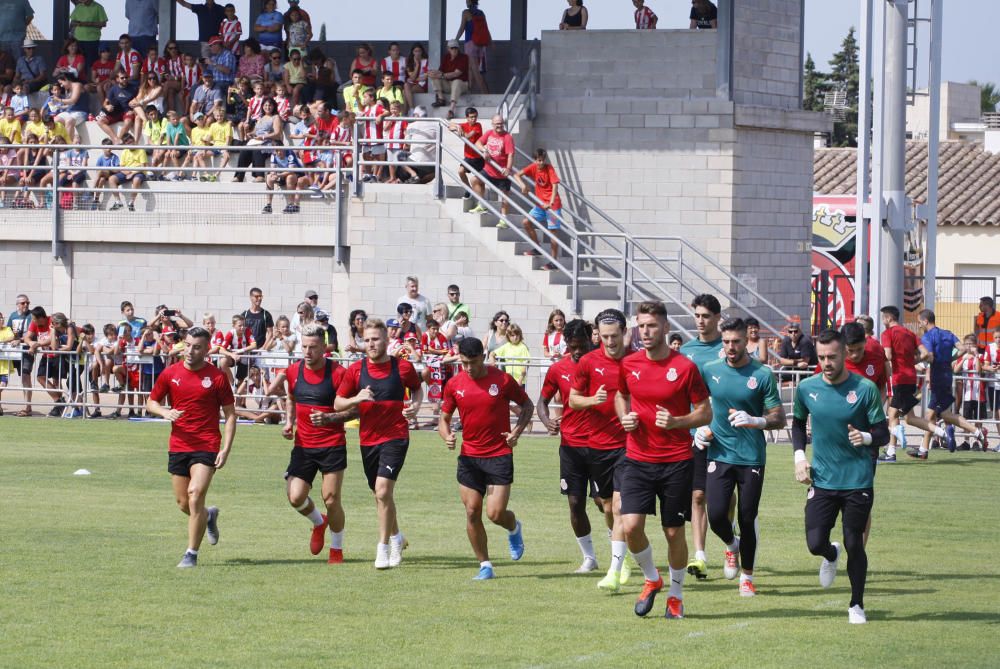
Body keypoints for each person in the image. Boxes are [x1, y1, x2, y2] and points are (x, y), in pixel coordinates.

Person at [614, 300, 711, 619]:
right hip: (638, 458)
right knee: (630, 527)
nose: (646, 331)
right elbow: (620, 395)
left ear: (666, 328)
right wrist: (625, 416)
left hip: (676, 461)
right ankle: (652, 580)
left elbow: (705, 412)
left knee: (673, 533)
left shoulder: (684, 367)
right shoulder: (629, 364)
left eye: (652, 325)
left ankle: (676, 594)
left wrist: (676, 422)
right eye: (641, 325)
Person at [792, 328, 889, 624]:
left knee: (854, 542)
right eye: (821, 357)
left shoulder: (864, 389)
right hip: (821, 479)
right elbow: (797, 424)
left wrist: (867, 437)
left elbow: (882, 432)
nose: (826, 363)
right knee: (814, 543)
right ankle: (829, 555)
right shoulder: (806, 388)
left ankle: (856, 604)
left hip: (857, 479)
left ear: (845, 353)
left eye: (832, 356)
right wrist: (799, 456)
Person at [693, 318, 784, 597]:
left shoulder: (762, 374)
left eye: (736, 341)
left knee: (747, 516)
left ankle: (747, 577)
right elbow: (698, 404)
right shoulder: (710, 370)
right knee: (717, 514)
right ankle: (732, 545)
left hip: (751, 457)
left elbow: (778, 418)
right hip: (719, 452)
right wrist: (699, 427)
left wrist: (756, 420)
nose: (731, 347)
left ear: (747, 342)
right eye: (727, 342)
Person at [438, 337, 533, 580]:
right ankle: (485, 565)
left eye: (473, 362)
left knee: (495, 514)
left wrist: (516, 432)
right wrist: (447, 436)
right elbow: (444, 419)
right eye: (464, 363)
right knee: (472, 511)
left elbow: (527, 405)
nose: (468, 368)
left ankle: (513, 527)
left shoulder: (501, 380)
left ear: (483, 356)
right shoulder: (454, 384)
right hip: (469, 456)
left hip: (499, 454)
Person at [335, 318, 423, 569]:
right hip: (368, 439)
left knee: (383, 491)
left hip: (396, 436)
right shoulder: (356, 370)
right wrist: (356, 398)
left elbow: (417, 389)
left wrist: (415, 406)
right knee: (380, 495)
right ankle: (397, 536)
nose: (371, 344)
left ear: (386, 340)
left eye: (376, 339)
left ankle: (382, 548)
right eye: (367, 340)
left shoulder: (402, 368)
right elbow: (337, 403)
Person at [147, 327, 237, 569]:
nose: (190, 350)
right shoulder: (170, 373)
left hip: (207, 444)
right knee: (184, 504)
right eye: (187, 345)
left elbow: (230, 415)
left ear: (207, 350)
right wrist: (164, 411)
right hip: (179, 445)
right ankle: (208, 516)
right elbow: (151, 402)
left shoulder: (217, 377)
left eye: (196, 347)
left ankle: (191, 554)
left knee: (195, 495)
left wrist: (225, 449)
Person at [275, 324, 356, 563]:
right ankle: (318, 523)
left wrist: (331, 418)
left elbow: (356, 410)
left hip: (332, 444)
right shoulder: (293, 372)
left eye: (313, 347)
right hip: (303, 446)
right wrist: (289, 422)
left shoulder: (339, 373)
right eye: (304, 346)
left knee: (331, 498)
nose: (307, 352)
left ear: (324, 347)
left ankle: (337, 549)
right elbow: (291, 398)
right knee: (295, 497)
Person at [568, 308, 632, 591]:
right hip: (597, 445)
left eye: (614, 336)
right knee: (607, 506)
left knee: (619, 507)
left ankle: (616, 568)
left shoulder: (637, 361)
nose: (610, 342)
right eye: (604, 336)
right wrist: (593, 400)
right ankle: (622, 546)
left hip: (629, 446)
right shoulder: (588, 362)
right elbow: (572, 400)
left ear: (624, 333)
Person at [538, 318, 602, 573]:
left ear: (590, 339)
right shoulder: (558, 369)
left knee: (603, 502)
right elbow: (541, 401)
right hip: (571, 446)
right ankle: (589, 558)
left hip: (601, 444)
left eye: (581, 345)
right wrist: (547, 421)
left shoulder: (602, 364)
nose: (576, 351)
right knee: (575, 503)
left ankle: (621, 555)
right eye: (571, 346)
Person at [679, 293, 723, 581]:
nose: (701, 320)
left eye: (706, 315)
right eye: (697, 315)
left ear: (717, 318)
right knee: (697, 495)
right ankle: (700, 556)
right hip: (697, 435)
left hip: (728, 435)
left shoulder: (728, 347)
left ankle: (730, 533)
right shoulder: (686, 351)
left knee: (725, 502)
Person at [910, 309, 986, 459]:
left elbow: (930, 357)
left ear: (925, 321)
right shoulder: (947, 333)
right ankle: (923, 450)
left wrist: (915, 361)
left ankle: (974, 432)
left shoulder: (927, 337)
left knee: (939, 414)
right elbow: (963, 349)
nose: (920, 326)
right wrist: (949, 360)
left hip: (937, 375)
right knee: (934, 414)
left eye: (920, 323)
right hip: (947, 375)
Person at [513, 148, 563, 270]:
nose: (540, 163)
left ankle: (553, 262)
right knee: (526, 222)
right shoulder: (533, 167)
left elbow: (555, 184)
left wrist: (550, 203)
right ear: (535, 160)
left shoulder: (549, 168)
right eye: (538, 160)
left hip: (552, 206)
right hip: (540, 205)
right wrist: (523, 185)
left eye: (542, 160)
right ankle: (537, 248)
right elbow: (516, 175)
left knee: (553, 233)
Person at [469, 115, 513, 220]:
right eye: (497, 123)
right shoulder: (489, 133)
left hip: (501, 173)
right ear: (492, 124)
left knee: (505, 197)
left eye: (501, 123)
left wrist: (508, 168)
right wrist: (484, 150)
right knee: (474, 180)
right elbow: (478, 143)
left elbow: (511, 154)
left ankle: (504, 219)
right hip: (488, 170)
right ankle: (482, 205)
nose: (499, 125)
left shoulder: (507, 137)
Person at [428, 40, 468, 120]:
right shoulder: (446, 57)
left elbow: (456, 74)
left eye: (456, 48)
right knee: (434, 76)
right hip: (449, 84)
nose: (454, 50)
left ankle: (451, 110)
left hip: (462, 85)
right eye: (452, 48)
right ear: (448, 49)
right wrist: (432, 73)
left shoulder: (464, 57)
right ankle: (441, 99)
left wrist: (441, 75)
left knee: (456, 81)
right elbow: (440, 71)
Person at [455, 0, 489, 95]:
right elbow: (486, 29)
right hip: (481, 45)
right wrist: (489, 41)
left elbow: (462, 28)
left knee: (475, 70)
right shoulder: (481, 13)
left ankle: (485, 93)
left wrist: (456, 40)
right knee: (470, 68)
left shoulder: (466, 12)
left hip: (471, 43)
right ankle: (469, 91)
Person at [8, 294, 33, 416]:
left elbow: (32, 333)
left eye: (27, 302)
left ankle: (27, 407)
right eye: (23, 303)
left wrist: (21, 340)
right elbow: (8, 331)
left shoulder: (31, 315)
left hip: (27, 350)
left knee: (25, 376)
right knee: (16, 378)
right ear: (18, 304)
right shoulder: (13, 316)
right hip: (15, 352)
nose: (26, 305)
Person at [450, 107, 484, 199]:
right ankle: (468, 190)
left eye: (475, 116)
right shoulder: (465, 125)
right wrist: (458, 126)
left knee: (480, 180)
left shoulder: (478, 125)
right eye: (471, 117)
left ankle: (481, 200)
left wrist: (460, 130)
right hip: (469, 157)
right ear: (467, 118)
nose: (474, 119)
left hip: (478, 157)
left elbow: (468, 136)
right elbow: (450, 126)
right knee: (460, 171)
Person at [70, 0, 108, 67]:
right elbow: (72, 22)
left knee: (92, 64)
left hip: (92, 40)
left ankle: (91, 77)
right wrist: (80, 23)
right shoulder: (78, 7)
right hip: (78, 39)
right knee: (78, 63)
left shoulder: (98, 7)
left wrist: (89, 23)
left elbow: (103, 23)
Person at [241, 287, 274, 361]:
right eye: (256, 296)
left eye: (260, 296)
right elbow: (239, 332)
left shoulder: (266, 314)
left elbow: (270, 333)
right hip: (247, 352)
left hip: (261, 352)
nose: (259, 298)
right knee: (245, 372)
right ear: (251, 298)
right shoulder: (244, 315)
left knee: (262, 372)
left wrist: (263, 349)